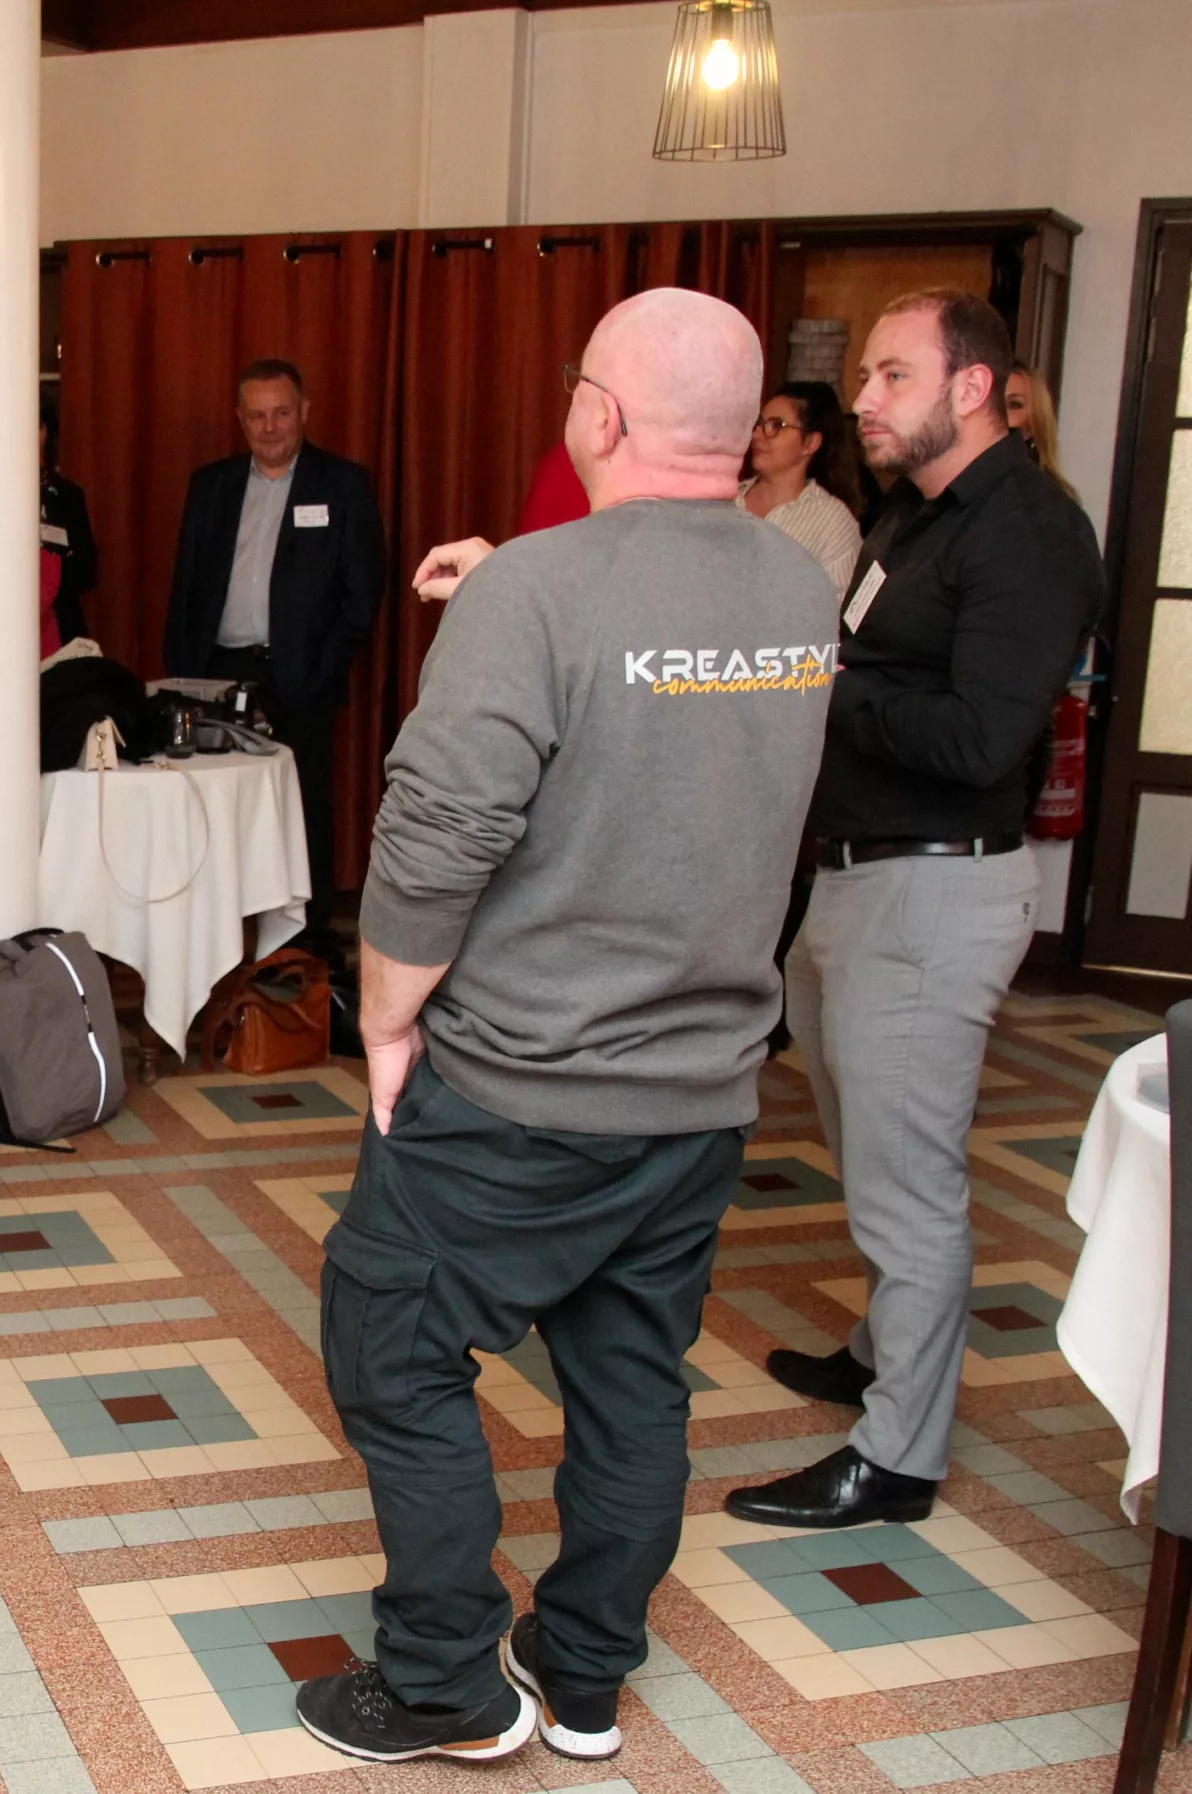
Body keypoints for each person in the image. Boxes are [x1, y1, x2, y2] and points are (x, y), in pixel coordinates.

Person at [296, 290, 835, 1765]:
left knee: (389, 1342)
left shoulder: (536, 593)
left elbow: (438, 835)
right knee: (630, 1379)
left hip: (521, 1088)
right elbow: (667, 707)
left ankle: (442, 1684)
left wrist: (386, 1022)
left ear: (600, 412)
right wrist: (513, 591)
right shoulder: (799, 590)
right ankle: (584, 1674)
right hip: (702, 1089)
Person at [725, 290, 1103, 1531]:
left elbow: (982, 738)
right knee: (869, 1148)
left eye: (892, 374)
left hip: (935, 887)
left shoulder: (1029, 532)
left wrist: (823, 684)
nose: (864, 400)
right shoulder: (915, 515)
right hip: (857, 874)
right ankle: (884, 1351)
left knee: (911, 1184)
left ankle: (895, 1459)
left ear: (972, 387)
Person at [160, 358, 383, 948]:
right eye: (257, 416)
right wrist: (184, 672)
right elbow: (186, 583)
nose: (270, 427)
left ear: (303, 411)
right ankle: (215, 942)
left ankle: (305, 947)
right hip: (218, 675)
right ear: (240, 419)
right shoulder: (211, 485)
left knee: (303, 808)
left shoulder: (342, 485)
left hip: (301, 676)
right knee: (211, 810)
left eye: (282, 413)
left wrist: (326, 665)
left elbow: (363, 592)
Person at [740, 380, 865, 592]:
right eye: (759, 424)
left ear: (810, 443)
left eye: (776, 426)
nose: (757, 435)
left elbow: (840, 605)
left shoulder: (833, 523)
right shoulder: (726, 500)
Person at [39, 391, 99, 643]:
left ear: (44, 432)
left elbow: (88, 572)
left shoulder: (68, 495)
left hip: (61, 626)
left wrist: (52, 571)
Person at [1004, 361, 1078, 500]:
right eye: (992, 403)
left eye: (1014, 404)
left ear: (1034, 423)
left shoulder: (1050, 497)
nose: (998, 413)